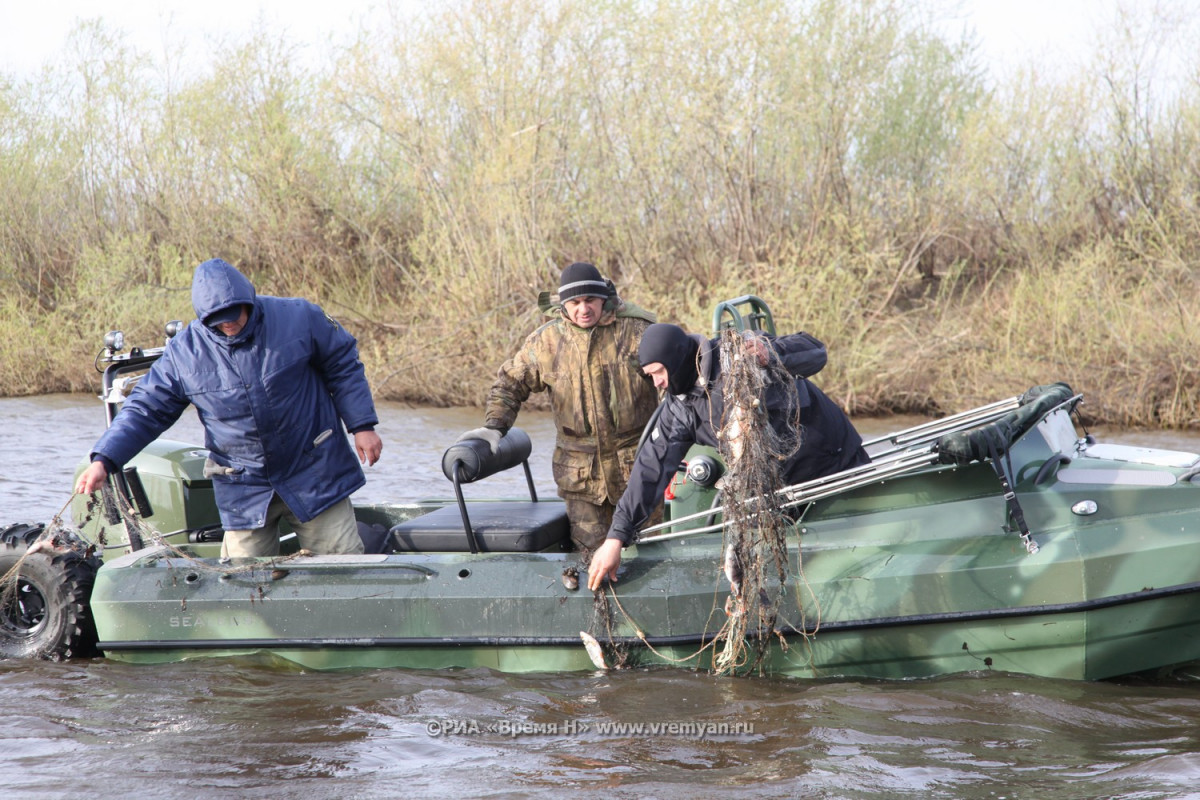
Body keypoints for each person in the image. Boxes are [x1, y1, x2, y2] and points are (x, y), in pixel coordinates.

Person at [75, 258, 383, 558]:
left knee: (343, 567)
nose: (229, 323)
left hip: (315, 473)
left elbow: (343, 365)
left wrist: (362, 425)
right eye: (219, 319)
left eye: (235, 314)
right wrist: (104, 459)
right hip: (243, 486)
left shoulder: (299, 317)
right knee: (242, 582)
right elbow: (145, 410)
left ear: (249, 301)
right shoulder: (185, 354)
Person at [587, 322, 869, 591]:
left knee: (860, 557)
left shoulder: (738, 354)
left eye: (659, 372)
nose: (657, 383)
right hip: (774, 492)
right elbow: (650, 470)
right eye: (650, 376)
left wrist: (769, 354)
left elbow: (815, 351)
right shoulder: (680, 408)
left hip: (835, 469)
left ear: (676, 359)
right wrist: (616, 538)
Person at [458, 262, 659, 560]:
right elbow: (510, 384)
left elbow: (677, 376)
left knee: (651, 557)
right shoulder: (546, 341)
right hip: (580, 475)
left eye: (590, 300)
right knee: (589, 560)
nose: (583, 309)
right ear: (563, 304)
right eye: (575, 303)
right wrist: (494, 426)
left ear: (603, 298)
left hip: (638, 467)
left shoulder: (637, 331)